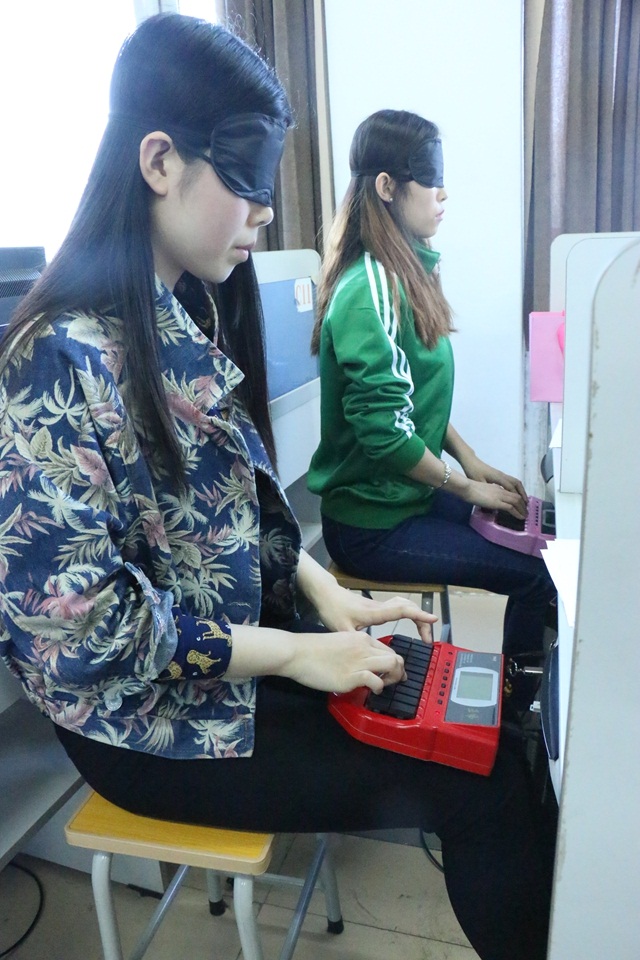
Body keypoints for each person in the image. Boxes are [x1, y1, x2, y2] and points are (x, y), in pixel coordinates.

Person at [0, 16, 552, 960]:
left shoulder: (177, 312)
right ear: (160, 161)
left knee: (493, 725)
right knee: (484, 781)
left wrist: (323, 593)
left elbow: (237, 506)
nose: (266, 212)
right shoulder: (54, 358)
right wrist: (295, 655)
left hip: (237, 647)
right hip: (148, 722)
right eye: (248, 181)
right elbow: (87, 634)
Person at [308, 109, 556, 661]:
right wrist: (465, 489)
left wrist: (472, 462)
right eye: (430, 179)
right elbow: (386, 435)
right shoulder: (368, 289)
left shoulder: (407, 272)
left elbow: (414, 403)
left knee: (536, 537)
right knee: (535, 577)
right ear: (387, 187)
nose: (442, 193)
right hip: (370, 525)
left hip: (406, 497)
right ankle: (517, 708)